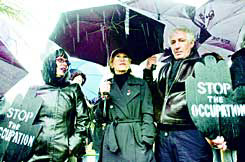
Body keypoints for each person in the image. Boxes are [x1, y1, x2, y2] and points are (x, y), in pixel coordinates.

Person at [143, 27, 227, 162]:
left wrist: (215, 133)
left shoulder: (201, 65)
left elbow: (214, 100)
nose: (177, 46)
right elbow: (153, 96)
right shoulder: (164, 68)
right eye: (173, 42)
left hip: (190, 134)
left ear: (192, 43)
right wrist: (148, 70)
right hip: (163, 135)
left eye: (181, 41)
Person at [27, 49, 89, 162]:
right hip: (35, 153)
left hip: (63, 153)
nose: (64, 64)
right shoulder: (35, 90)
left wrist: (71, 146)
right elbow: (26, 119)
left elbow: (83, 120)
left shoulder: (74, 89)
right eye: (60, 60)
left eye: (66, 62)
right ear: (50, 62)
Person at [95, 48, 156, 162]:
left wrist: (147, 139)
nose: (122, 59)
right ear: (112, 64)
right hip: (112, 140)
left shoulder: (141, 84)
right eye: (118, 57)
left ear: (130, 63)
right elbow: (100, 117)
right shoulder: (106, 85)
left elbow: (148, 113)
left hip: (136, 138)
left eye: (125, 57)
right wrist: (103, 97)